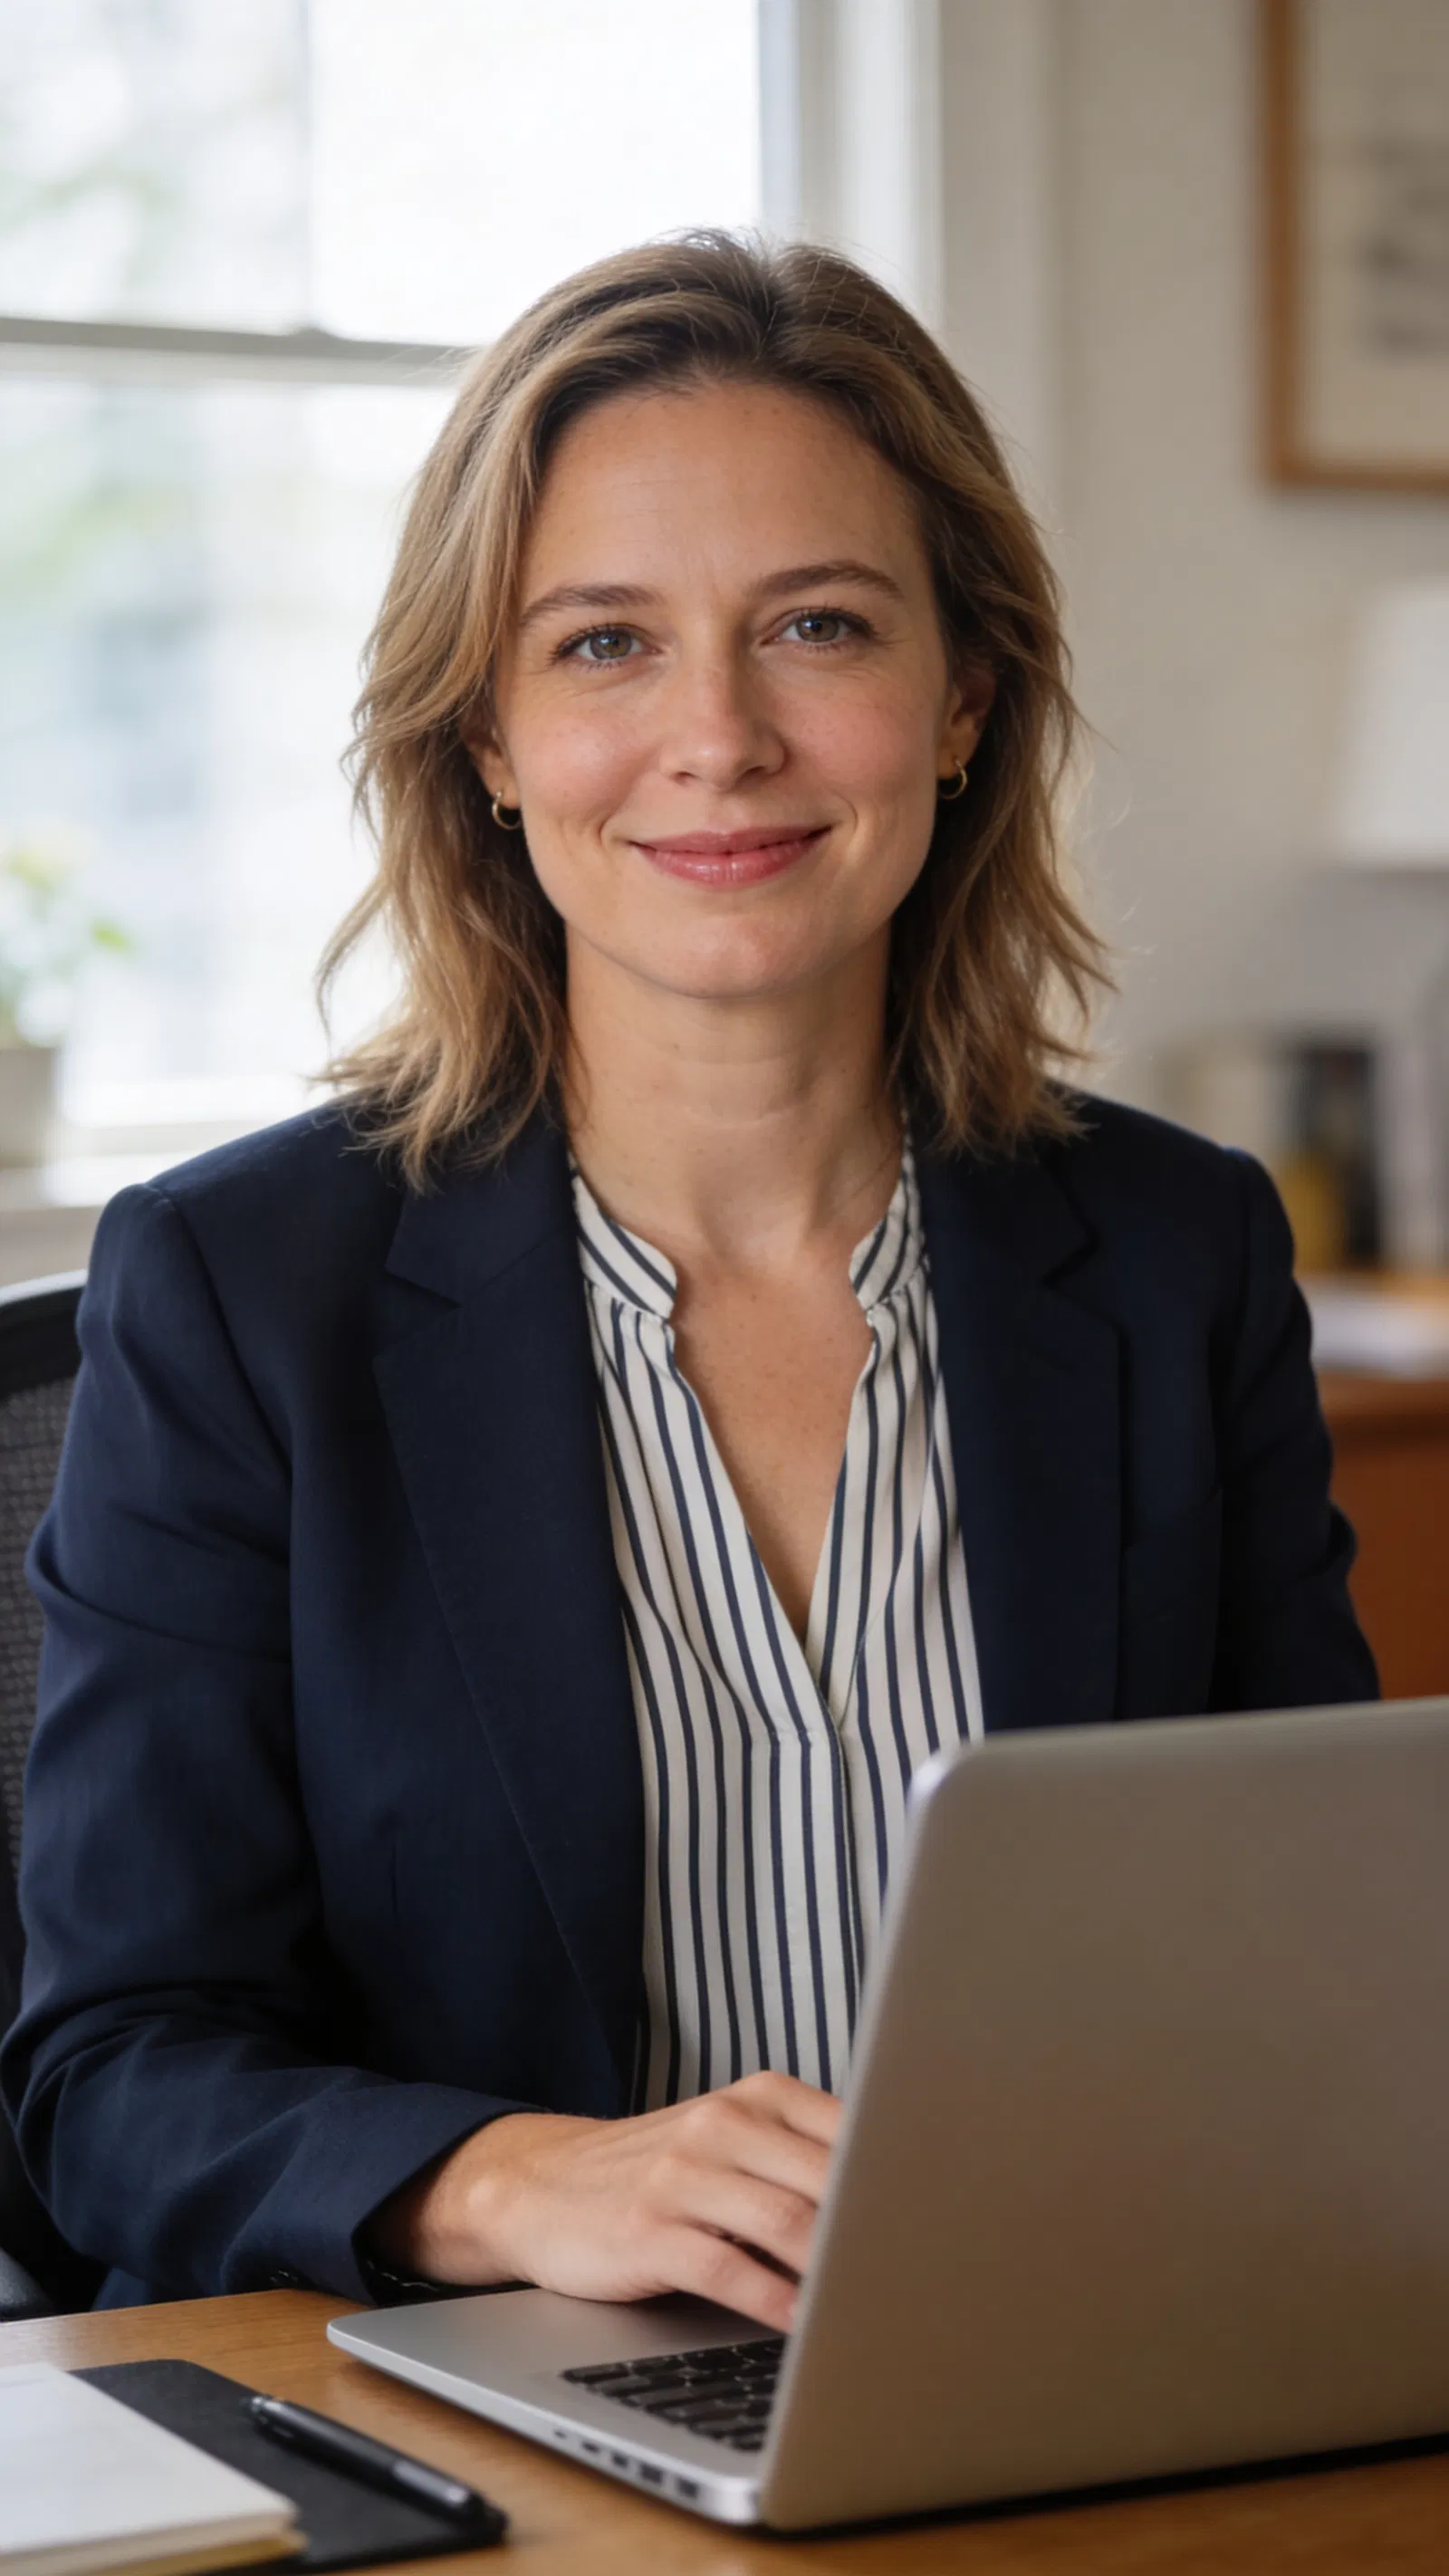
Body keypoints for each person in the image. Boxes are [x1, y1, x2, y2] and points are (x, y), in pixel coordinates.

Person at [2, 235, 1376, 2316]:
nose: (716, 737)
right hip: (496, 2419)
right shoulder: (236, 1292)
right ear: (481, 734)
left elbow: (1319, 1954)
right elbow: (106, 2072)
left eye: (815, 626)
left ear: (962, 696)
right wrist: (507, 2183)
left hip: (1060, 2366)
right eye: (603, 645)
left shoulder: (1178, 1257)